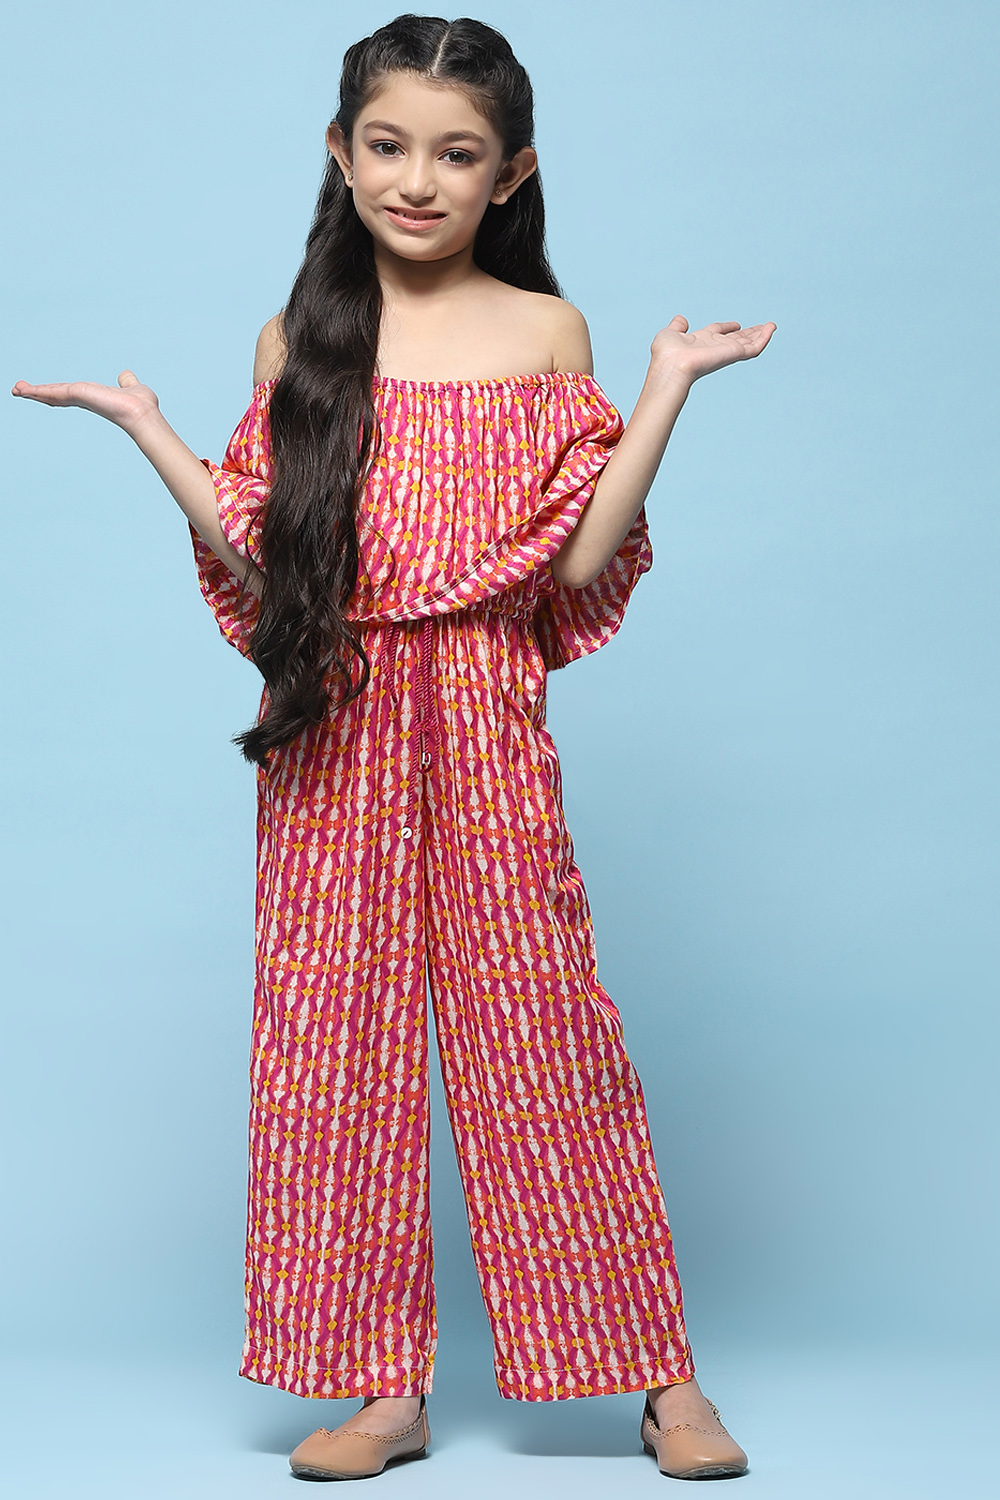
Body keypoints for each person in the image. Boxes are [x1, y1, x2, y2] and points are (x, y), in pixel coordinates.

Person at [12, 13, 774, 1484]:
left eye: (457, 153)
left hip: (484, 713)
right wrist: (153, 433)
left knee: (546, 1038)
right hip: (336, 720)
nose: (417, 179)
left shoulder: (545, 332)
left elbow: (573, 565)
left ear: (511, 173)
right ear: (339, 153)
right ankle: (379, 1386)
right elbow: (270, 559)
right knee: (331, 1051)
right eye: (387, 145)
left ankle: (657, 1374)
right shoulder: (299, 338)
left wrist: (667, 389)